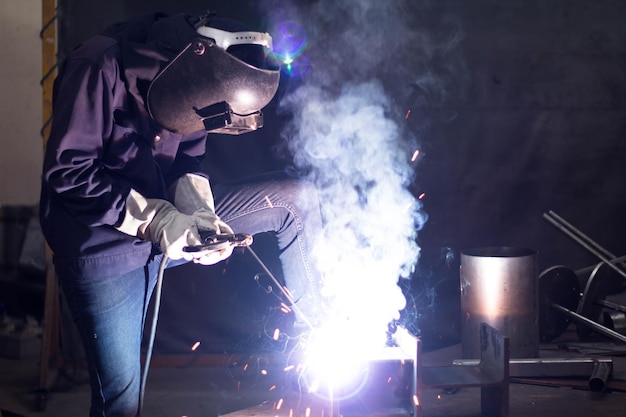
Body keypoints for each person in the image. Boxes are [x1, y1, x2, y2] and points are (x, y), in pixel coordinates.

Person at [39, 10, 323, 417]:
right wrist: (155, 219)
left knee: (293, 199)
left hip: (170, 218)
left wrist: (200, 213)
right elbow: (69, 172)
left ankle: (321, 341)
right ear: (196, 54)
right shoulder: (98, 66)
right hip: (103, 245)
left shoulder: (202, 81)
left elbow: (188, 162)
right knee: (121, 404)